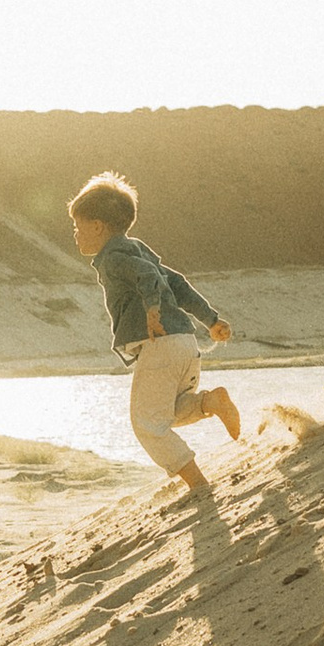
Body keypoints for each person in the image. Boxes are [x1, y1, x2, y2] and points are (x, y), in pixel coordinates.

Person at [68, 172, 242, 491]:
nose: (75, 235)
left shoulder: (114, 258)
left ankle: (199, 485)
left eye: (78, 227)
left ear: (98, 226)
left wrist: (151, 309)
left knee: (147, 425)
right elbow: (177, 284)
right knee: (167, 413)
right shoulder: (137, 249)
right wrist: (211, 320)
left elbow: (147, 276)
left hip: (159, 344)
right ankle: (210, 402)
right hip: (184, 343)